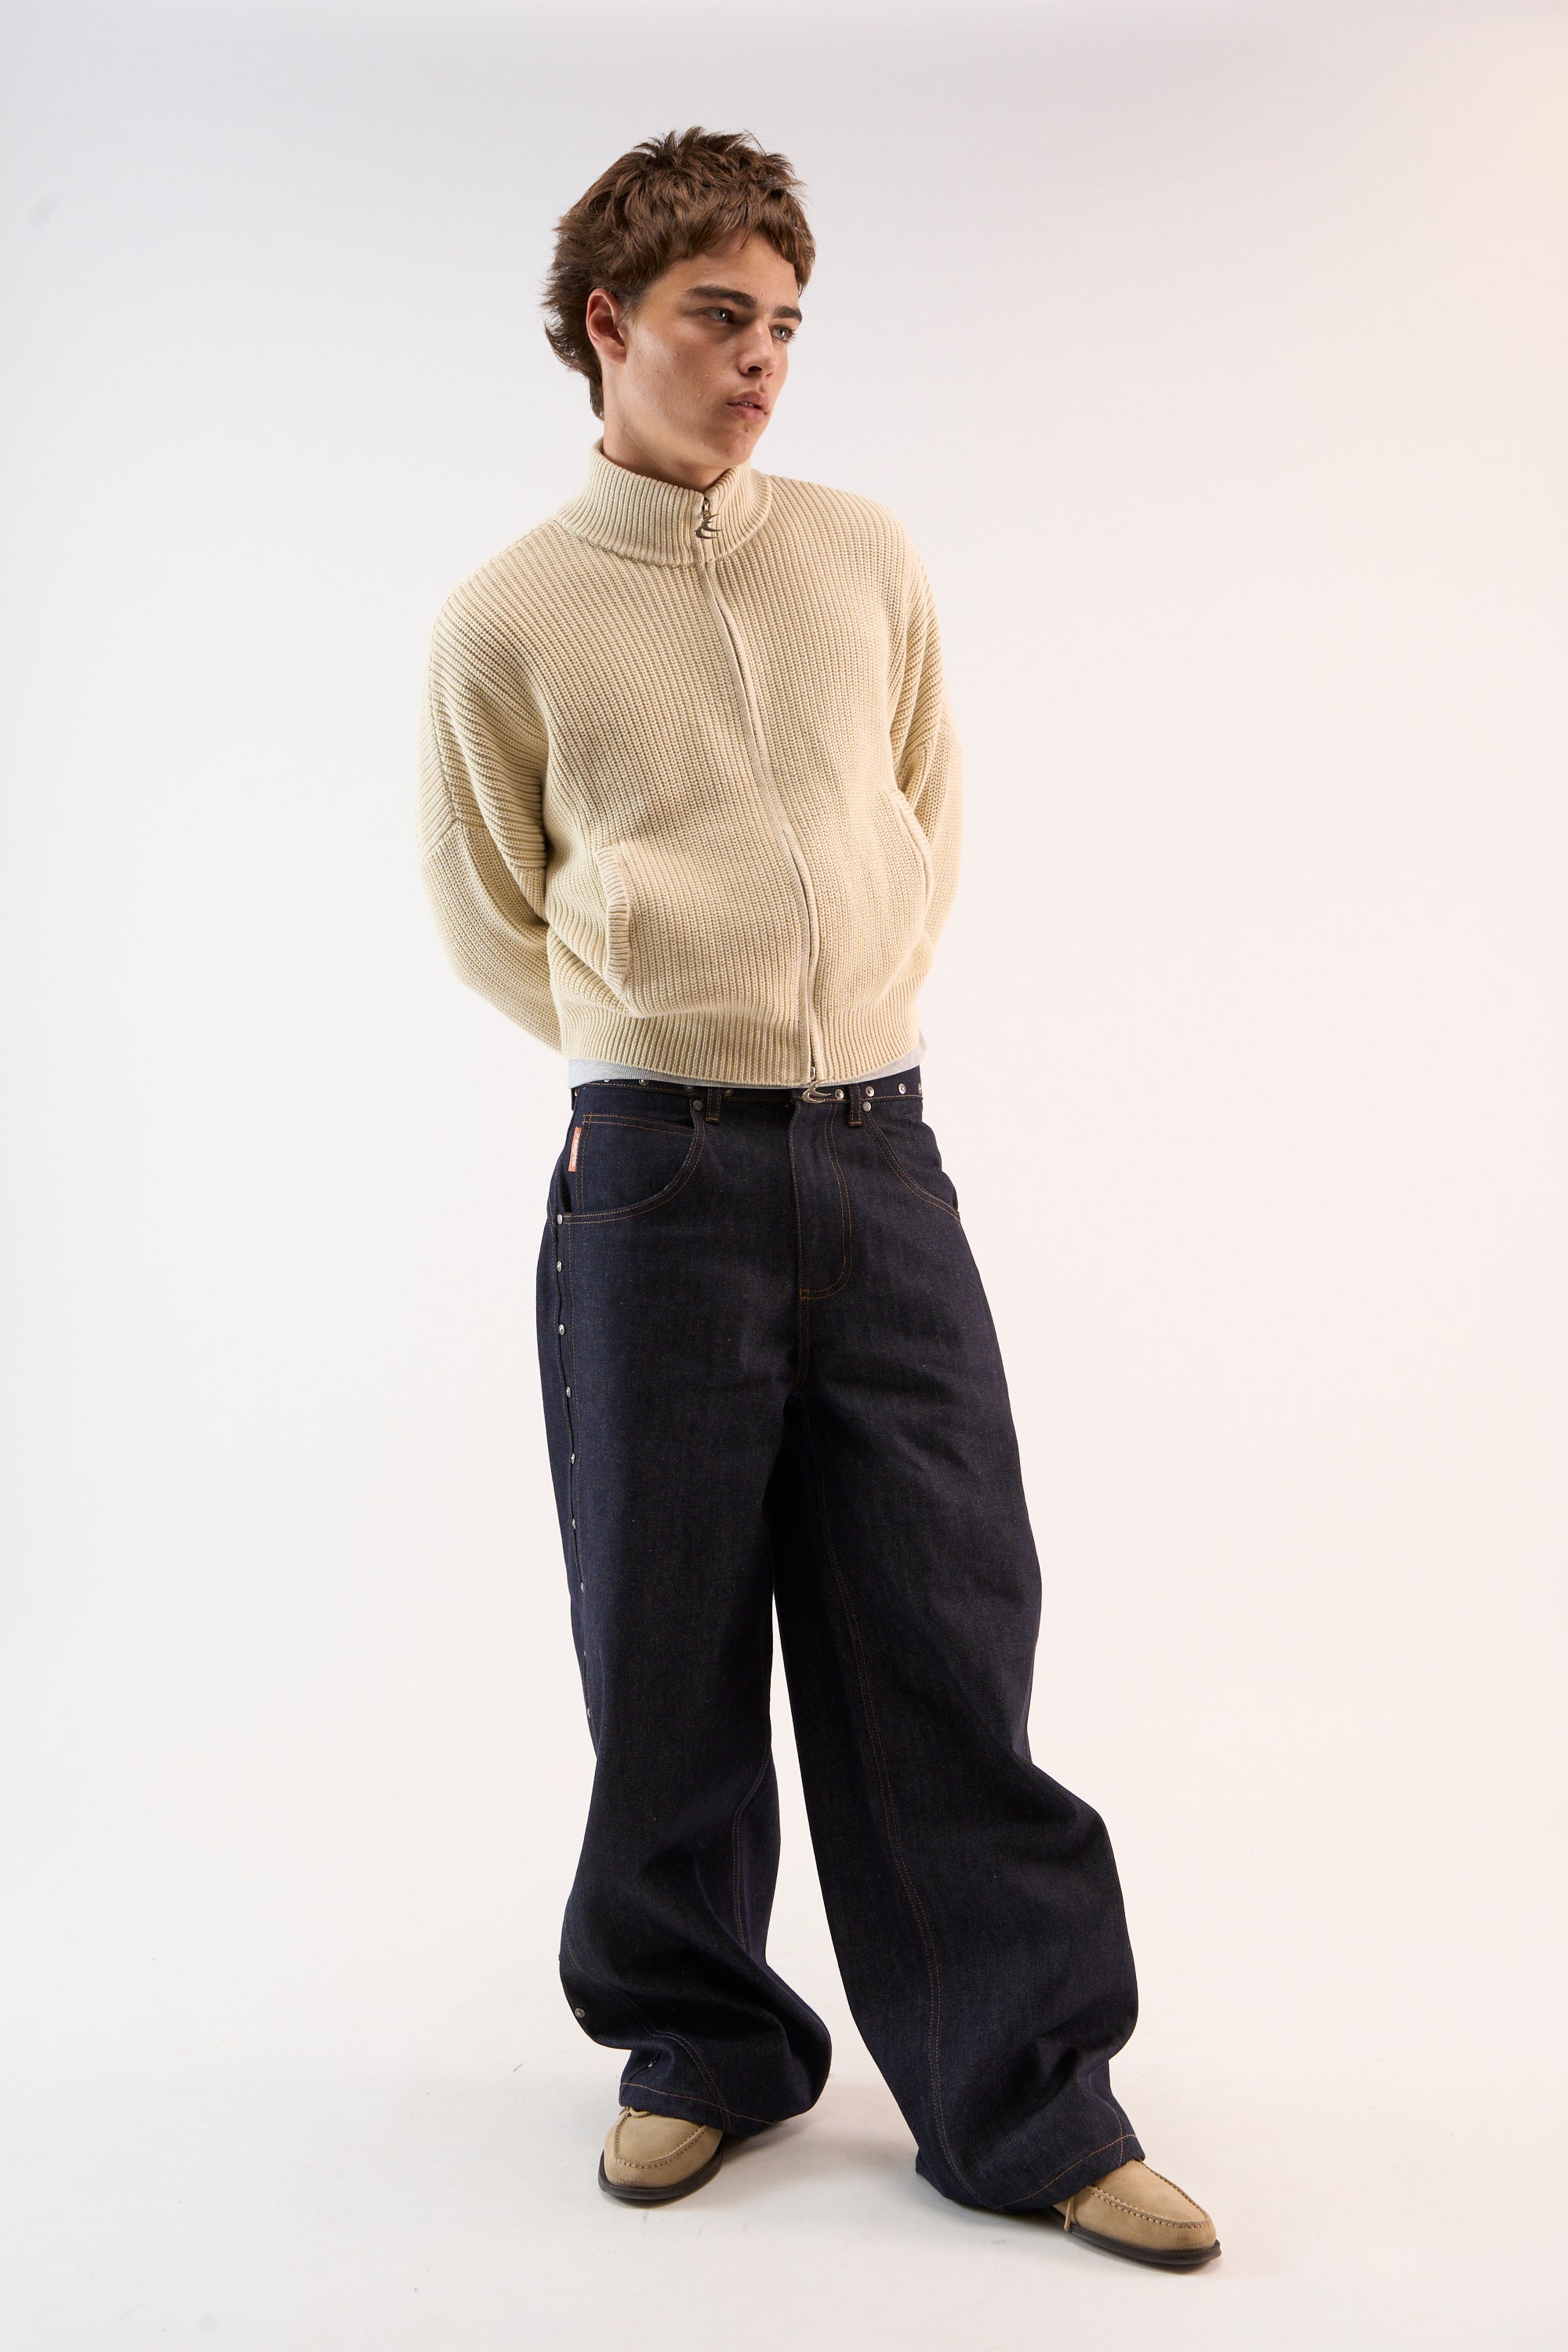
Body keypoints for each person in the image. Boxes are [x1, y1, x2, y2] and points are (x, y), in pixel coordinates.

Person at [416, 126, 1218, 2271]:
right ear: (608, 324)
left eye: (785, 323)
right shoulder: (507, 616)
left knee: (944, 1616)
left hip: (878, 1146)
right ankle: (700, 2041)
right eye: (719, 318)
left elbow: (921, 817)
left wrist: (835, 1014)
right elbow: (489, 907)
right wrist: (654, 1032)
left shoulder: (861, 556)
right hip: (653, 1171)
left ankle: (1026, 2097)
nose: (763, 360)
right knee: (664, 1630)